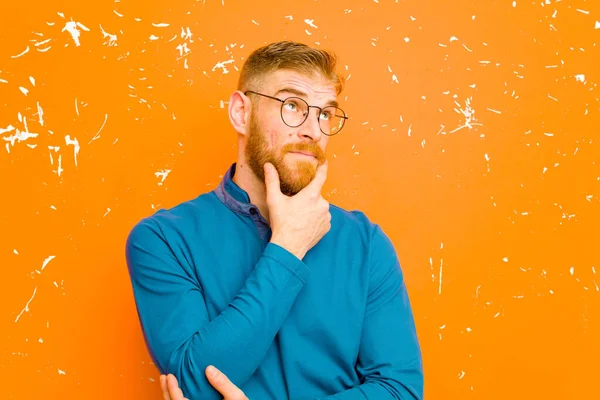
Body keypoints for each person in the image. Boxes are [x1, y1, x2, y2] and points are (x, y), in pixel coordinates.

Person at [125, 40, 423, 400]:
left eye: (325, 113)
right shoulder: (163, 240)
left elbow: (401, 390)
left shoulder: (366, 243)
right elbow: (194, 384)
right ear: (241, 113)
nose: (313, 130)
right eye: (293, 106)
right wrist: (287, 247)